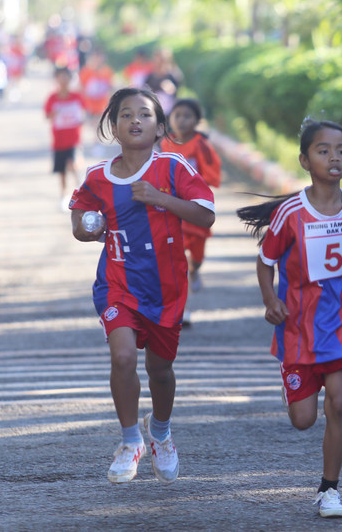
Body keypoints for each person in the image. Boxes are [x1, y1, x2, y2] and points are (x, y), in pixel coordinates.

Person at [236, 117, 342, 518]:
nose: (334, 157)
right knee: (303, 419)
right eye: (323, 150)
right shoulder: (290, 214)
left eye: (341, 151)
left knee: (339, 404)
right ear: (305, 160)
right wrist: (271, 301)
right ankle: (293, 385)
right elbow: (265, 262)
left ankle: (329, 490)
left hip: (341, 326)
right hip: (298, 328)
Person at [69, 87, 215, 485]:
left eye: (145, 114)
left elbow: (205, 216)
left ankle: (161, 433)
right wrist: (87, 227)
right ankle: (130, 440)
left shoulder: (173, 168)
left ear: (160, 127)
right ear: (113, 127)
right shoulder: (99, 176)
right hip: (116, 284)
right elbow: (80, 218)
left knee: (161, 371)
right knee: (123, 358)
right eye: (125, 114)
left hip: (165, 290)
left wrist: (159, 198)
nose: (135, 120)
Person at [159, 98, 221, 325]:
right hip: (173, 211)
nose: (182, 120)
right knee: (176, 263)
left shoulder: (201, 145)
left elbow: (212, 173)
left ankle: (196, 269)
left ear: (196, 120)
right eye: (178, 116)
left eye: (188, 116)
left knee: (196, 257)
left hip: (196, 209)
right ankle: (180, 310)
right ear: (170, 119)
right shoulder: (165, 144)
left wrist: (195, 186)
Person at [44, 66, 86, 211]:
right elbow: (47, 116)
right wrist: (54, 114)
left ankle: (82, 193)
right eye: (60, 77)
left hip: (74, 138)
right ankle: (64, 195)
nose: (63, 80)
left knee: (73, 163)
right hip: (58, 140)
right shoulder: (52, 98)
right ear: (56, 79)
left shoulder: (76, 96)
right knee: (62, 170)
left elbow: (83, 113)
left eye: (66, 77)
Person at [143, 48, 183, 114]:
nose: (159, 64)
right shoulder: (150, 77)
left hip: (171, 113)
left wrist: (172, 89)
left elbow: (177, 91)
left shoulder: (174, 75)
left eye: (162, 61)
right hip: (154, 112)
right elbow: (145, 93)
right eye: (157, 61)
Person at [79, 49, 115, 121]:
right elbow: (81, 88)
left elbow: (110, 88)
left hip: (103, 106)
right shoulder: (86, 71)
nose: (98, 60)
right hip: (89, 106)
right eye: (96, 57)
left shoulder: (108, 71)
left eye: (100, 57)